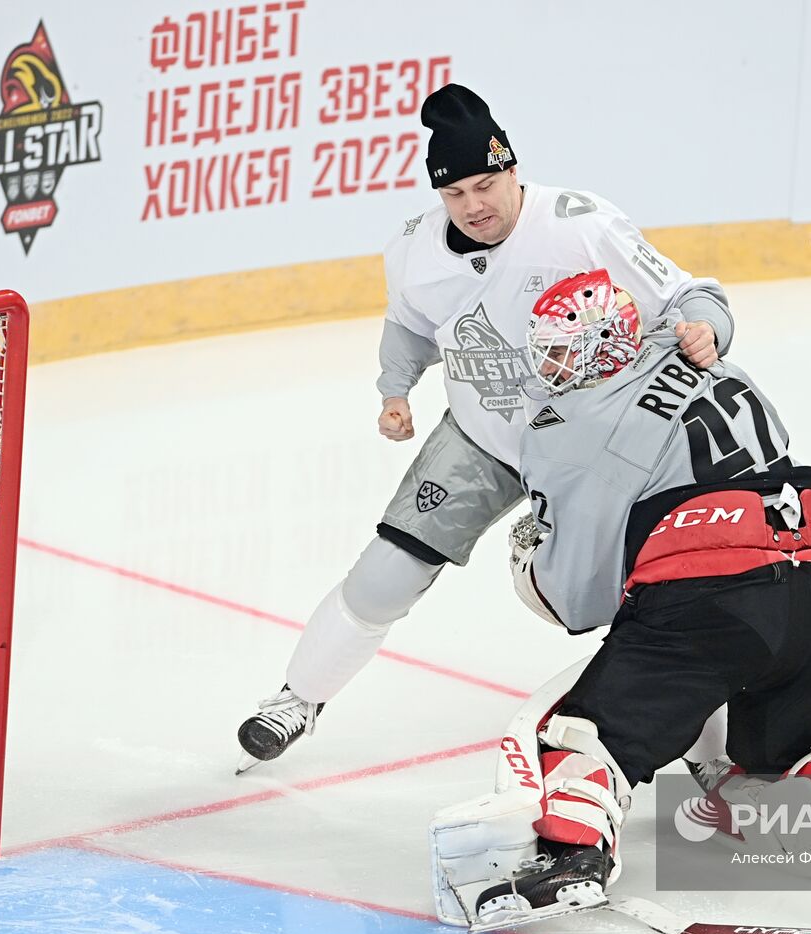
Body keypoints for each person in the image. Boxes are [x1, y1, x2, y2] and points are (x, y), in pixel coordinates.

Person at [427, 270, 811, 931]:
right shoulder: (722, 365)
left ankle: (571, 859)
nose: (547, 365)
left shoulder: (567, 423)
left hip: (713, 602)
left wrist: (535, 559)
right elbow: (707, 303)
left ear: (601, 344)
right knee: (771, 761)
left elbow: (579, 601)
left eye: (558, 348)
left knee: (583, 736)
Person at [235, 84, 734, 771]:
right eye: (456, 194)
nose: (475, 206)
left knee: (659, 595)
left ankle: (707, 752)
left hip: (599, 441)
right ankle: (297, 699)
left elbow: (685, 294)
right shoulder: (412, 249)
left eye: (486, 184)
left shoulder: (580, 224)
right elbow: (408, 327)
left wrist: (711, 328)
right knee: (387, 571)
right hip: (483, 438)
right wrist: (395, 389)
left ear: (512, 171)